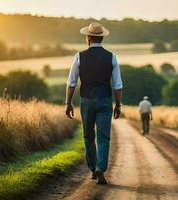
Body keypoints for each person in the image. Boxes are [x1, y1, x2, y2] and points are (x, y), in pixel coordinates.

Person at [65, 22, 123, 184]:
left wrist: (68, 103)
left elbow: (71, 83)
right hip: (105, 100)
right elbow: (117, 85)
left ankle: (93, 168)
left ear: (88, 38)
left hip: (87, 101)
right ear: (102, 38)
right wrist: (118, 105)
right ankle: (100, 168)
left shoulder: (79, 56)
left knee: (88, 136)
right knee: (104, 136)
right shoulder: (112, 57)